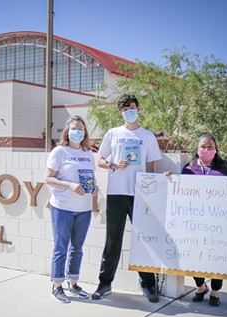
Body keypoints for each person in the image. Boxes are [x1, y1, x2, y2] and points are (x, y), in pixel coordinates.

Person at [91, 94, 162, 303]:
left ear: (138, 108)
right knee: (113, 240)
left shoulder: (148, 136)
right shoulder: (113, 134)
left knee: (143, 240)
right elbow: (100, 160)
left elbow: (151, 167)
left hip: (140, 194)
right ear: (120, 111)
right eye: (124, 109)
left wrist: (151, 192)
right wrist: (113, 164)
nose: (128, 111)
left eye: (131, 107)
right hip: (116, 192)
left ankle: (148, 285)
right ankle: (105, 283)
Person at [181, 132, 227, 306]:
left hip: (218, 222)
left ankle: (215, 291)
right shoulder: (189, 168)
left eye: (210, 147)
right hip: (194, 222)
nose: (206, 150)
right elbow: (180, 190)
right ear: (197, 149)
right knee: (193, 256)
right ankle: (200, 287)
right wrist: (170, 179)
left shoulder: (224, 167)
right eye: (203, 147)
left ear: (216, 149)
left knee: (217, 258)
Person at [45, 116, 98, 303]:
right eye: (75, 128)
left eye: (82, 129)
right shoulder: (59, 152)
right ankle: (57, 286)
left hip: (83, 209)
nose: (78, 131)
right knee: (61, 247)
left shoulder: (88, 153)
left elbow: (91, 177)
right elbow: (48, 179)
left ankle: (73, 283)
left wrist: (95, 189)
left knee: (77, 248)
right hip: (63, 208)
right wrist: (69, 185)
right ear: (67, 131)